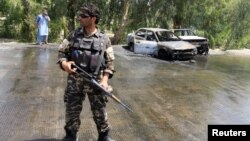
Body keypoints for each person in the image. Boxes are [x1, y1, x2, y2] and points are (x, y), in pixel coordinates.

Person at [57, 3, 115, 141]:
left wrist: (105, 80)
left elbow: (110, 62)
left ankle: (104, 136)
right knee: (71, 111)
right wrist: (64, 64)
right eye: (79, 15)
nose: (80, 18)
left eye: (83, 16)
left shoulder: (104, 39)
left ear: (93, 18)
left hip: (96, 81)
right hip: (75, 81)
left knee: (100, 111)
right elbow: (61, 53)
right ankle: (71, 135)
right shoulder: (73, 35)